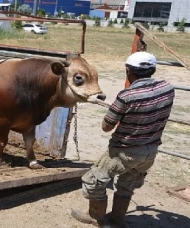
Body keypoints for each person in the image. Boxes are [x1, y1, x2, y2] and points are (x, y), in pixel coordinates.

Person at [70, 51, 175, 227]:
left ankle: (96, 217)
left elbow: (106, 126)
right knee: (127, 184)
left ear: (128, 71)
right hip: (150, 151)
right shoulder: (167, 89)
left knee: (93, 181)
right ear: (153, 70)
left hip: (125, 151)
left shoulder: (126, 96)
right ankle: (117, 219)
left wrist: (114, 110)